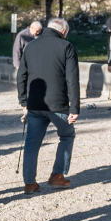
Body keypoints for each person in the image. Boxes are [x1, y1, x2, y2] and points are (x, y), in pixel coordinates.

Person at [17, 18, 79, 194]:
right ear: (64, 31)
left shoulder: (30, 46)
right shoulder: (66, 46)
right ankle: (57, 175)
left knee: (31, 143)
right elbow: (72, 79)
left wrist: (23, 101)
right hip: (58, 104)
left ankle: (29, 183)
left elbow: (21, 75)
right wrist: (75, 107)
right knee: (67, 135)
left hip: (34, 104)